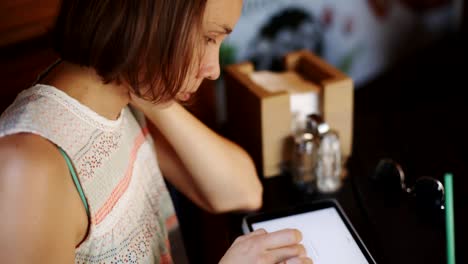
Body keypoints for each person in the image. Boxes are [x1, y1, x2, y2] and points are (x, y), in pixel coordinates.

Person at [0, 0, 313, 263]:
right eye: (208, 38)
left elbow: (242, 191)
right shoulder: (28, 169)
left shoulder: (123, 96)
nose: (214, 69)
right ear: (149, 18)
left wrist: (149, 83)